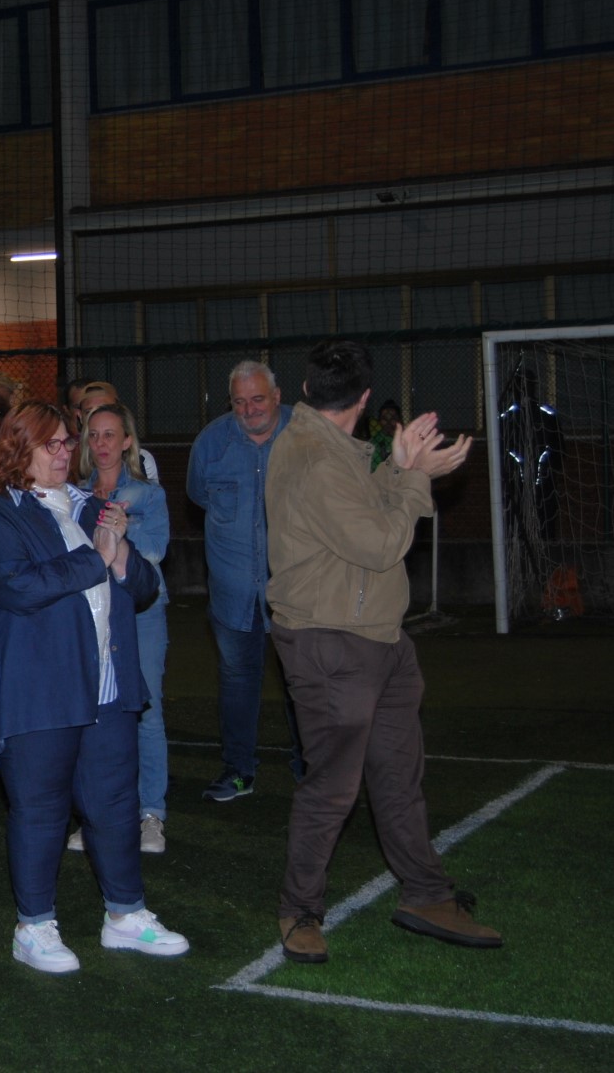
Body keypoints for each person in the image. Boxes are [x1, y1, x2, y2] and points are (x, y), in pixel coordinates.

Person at [266, 339, 500, 963]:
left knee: (399, 778)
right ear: (366, 397)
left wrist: (399, 467)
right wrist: (417, 477)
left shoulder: (335, 447)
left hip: (380, 638)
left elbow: (366, 505)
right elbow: (380, 543)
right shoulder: (315, 457)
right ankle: (299, 909)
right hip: (332, 643)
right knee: (332, 789)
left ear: (307, 389)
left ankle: (426, 893)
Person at [0, 402, 188, 974]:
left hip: (107, 686)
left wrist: (121, 556)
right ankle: (33, 926)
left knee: (115, 805)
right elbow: (18, 587)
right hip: (40, 688)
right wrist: (97, 558)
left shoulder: (93, 505)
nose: (65, 452)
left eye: (68, 442)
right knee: (39, 808)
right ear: (19, 449)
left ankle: (125, 914)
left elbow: (143, 586)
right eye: (51, 444)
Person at [186, 361, 299, 802]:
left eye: (258, 399)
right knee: (236, 683)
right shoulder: (211, 442)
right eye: (239, 401)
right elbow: (198, 494)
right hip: (233, 592)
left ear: (277, 396)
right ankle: (238, 771)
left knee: (302, 681)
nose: (249, 409)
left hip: (296, 592)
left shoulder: (306, 436)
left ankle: (311, 766)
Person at [73, 403, 169, 855]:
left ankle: (151, 813)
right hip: (94, 611)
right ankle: (97, 814)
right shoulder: (75, 495)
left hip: (140, 611)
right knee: (93, 711)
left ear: (128, 440)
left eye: (110, 434)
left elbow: (156, 552)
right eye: (93, 435)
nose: (101, 444)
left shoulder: (148, 495)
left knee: (146, 711)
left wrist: (122, 533)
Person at [67, 380, 160, 484]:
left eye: (105, 410)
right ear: (80, 416)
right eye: (89, 412)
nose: (98, 417)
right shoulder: (66, 457)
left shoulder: (141, 460)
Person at [367, 399, 401, 472]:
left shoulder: (404, 440)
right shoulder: (375, 442)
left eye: (393, 418)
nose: (388, 422)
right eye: (385, 419)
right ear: (379, 420)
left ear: (398, 420)